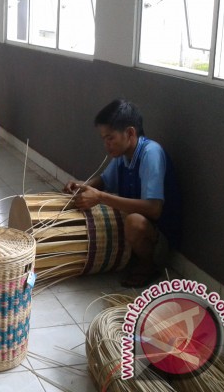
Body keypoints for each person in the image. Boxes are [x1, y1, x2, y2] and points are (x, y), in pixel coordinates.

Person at [63, 99, 181, 288]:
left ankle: (148, 265)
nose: (107, 145)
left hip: (161, 239)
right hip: (141, 227)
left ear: (130, 133)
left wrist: (99, 197)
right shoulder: (124, 155)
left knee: (134, 222)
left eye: (110, 138)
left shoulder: (151, 153)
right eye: (104, 139)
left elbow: (154, 209)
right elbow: (103, 181)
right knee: (108, 209)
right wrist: (82, 187)